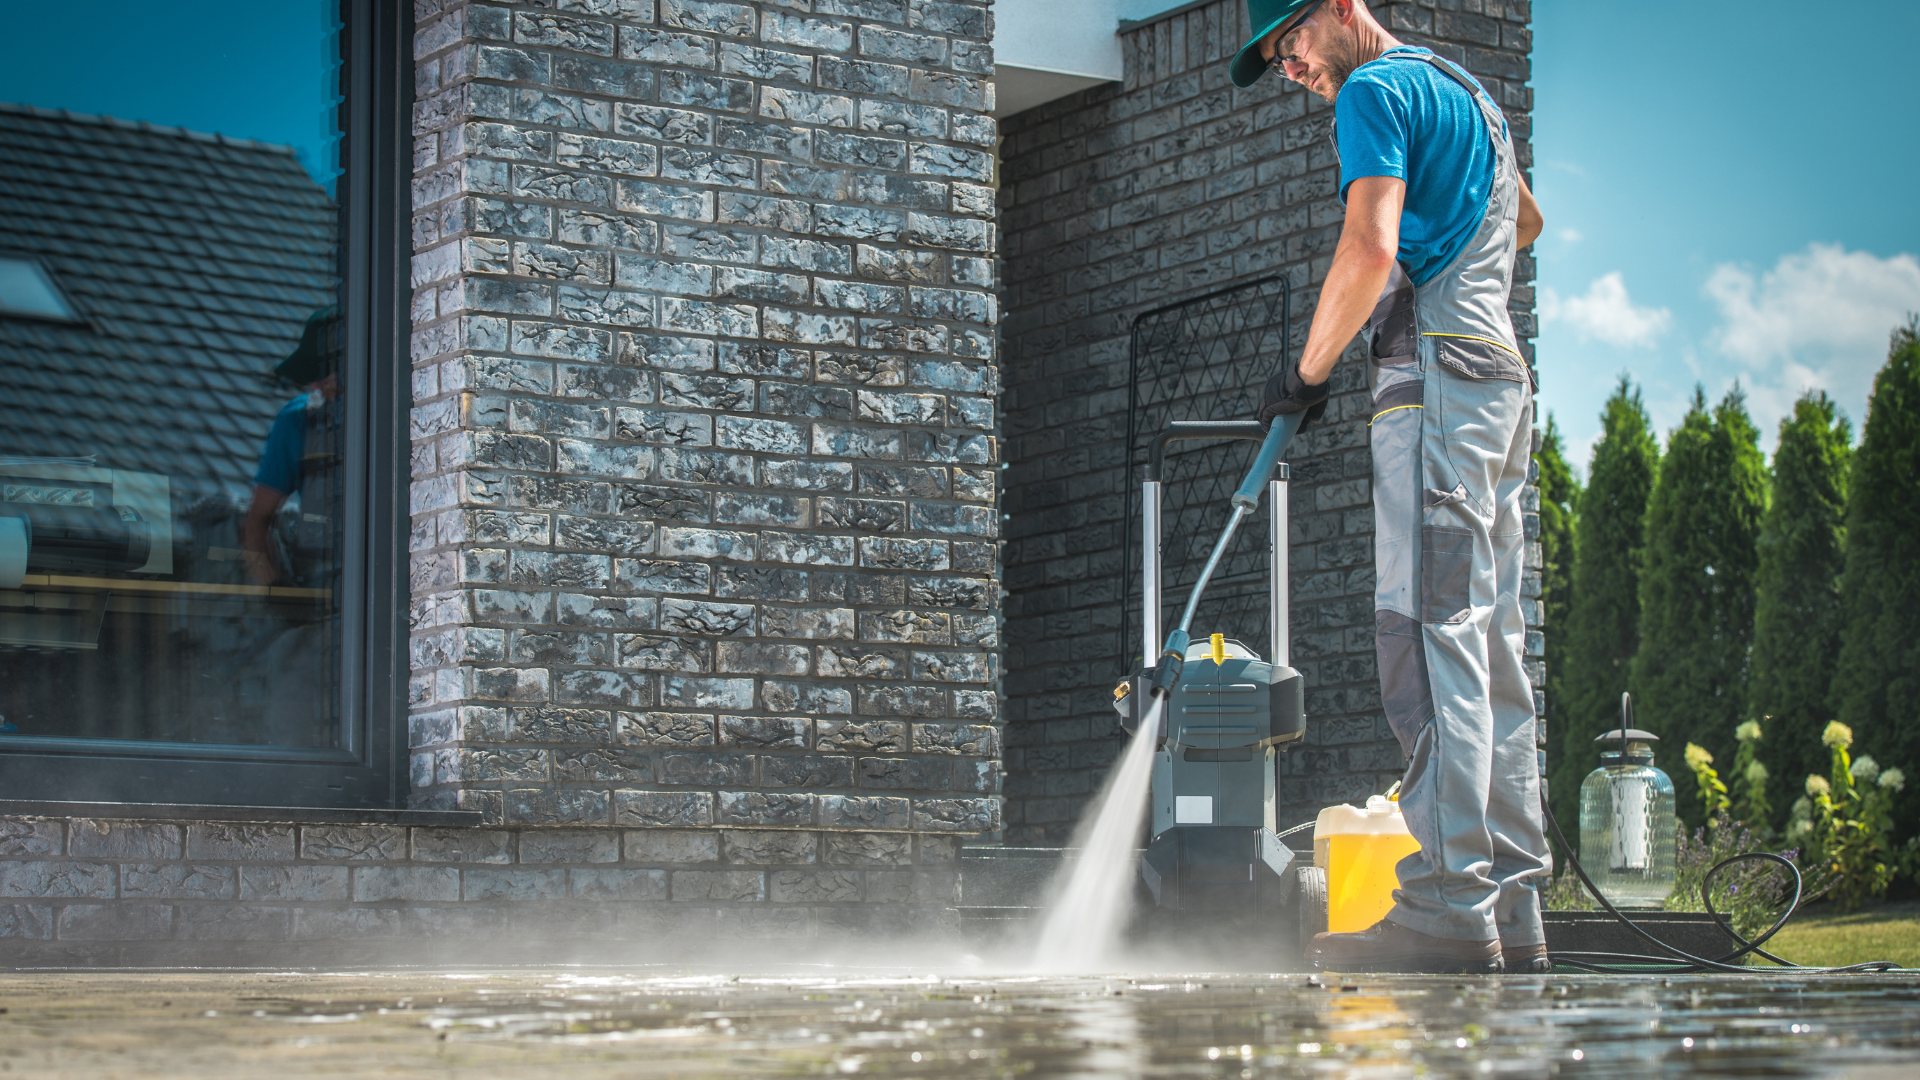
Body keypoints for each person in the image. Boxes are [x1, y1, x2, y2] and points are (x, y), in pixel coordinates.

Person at [1231, 0, 1550, 973]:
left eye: (1289, 43)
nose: (1290, 68)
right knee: (1489, 639)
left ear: (1336, 9)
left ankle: (1450, 903)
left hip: (1439, 384)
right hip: (1497, 375)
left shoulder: (1372, 89)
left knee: (1426, 628)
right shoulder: (1468, 95)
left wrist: (1309, 371)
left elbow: (1369, 249)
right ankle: (1513, 901)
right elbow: (1525, 221)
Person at [242, 308, 341, 587]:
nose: (314, 383)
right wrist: (275, 591)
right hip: (321, 593)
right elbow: (256, 523)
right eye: (313, 375)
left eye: (323, 373)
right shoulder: (297, 421)